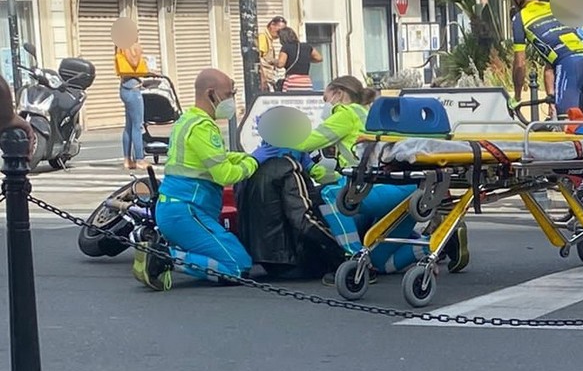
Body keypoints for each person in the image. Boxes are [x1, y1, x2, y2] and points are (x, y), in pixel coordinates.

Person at [290, 75, 463, 278]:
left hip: (379, 183)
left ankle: (355, 258)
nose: (325, 104)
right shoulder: (365, 113)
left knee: (330, 195)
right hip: (400, 184)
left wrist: (276, 142)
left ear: (338, 94)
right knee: (381, 262)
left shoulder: (344, 114)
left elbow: (305, 143)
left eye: (325, 98)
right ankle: (436, 242)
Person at [134, 69, 258, 291]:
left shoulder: (187, 120)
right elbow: (225, 175)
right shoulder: (202, 127)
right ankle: (163, 257)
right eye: (229, 94)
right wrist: (254, 163)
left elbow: (209, 160)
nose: (232, 100)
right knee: (237, 265)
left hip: (176, 210)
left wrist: (242, 156)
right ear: (211, 94)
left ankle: (169, 255)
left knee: (226, 255)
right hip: (188, 212)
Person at [238, 107, 346, 280]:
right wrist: (342, 248)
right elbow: (303, 218)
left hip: (264, 259)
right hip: (293, 259)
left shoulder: (250, 166)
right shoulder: (288, 168)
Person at [508, 0, 583, 117]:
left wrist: (517, 97)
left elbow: (520, 64)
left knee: (568, 124)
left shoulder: (519, 18)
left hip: (570, 65)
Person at [114, 32, 149, 172]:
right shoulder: (127, 46)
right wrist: (139, 51)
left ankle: (127, 159)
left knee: (129, 126)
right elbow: (134, 62)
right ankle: (140, 159)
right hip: (132, 90)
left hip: (126, 88)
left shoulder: (121, 47)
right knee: (137, 125)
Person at [275, 26, 322, 91]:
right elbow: (319, 58)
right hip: (306, 83)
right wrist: (305, 59)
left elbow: (280, 64)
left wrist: (273, 61)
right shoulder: (307, 46)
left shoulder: (286, 47)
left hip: (292, 82)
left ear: (283, 38)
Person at [258, 15, 286, 92]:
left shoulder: (269, 39)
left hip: (270, 79)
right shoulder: (263, 37)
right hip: (265, 80)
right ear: (272, 25)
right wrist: (263, 79)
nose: (280, 34)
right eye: (279, 31)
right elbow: (257, 59)